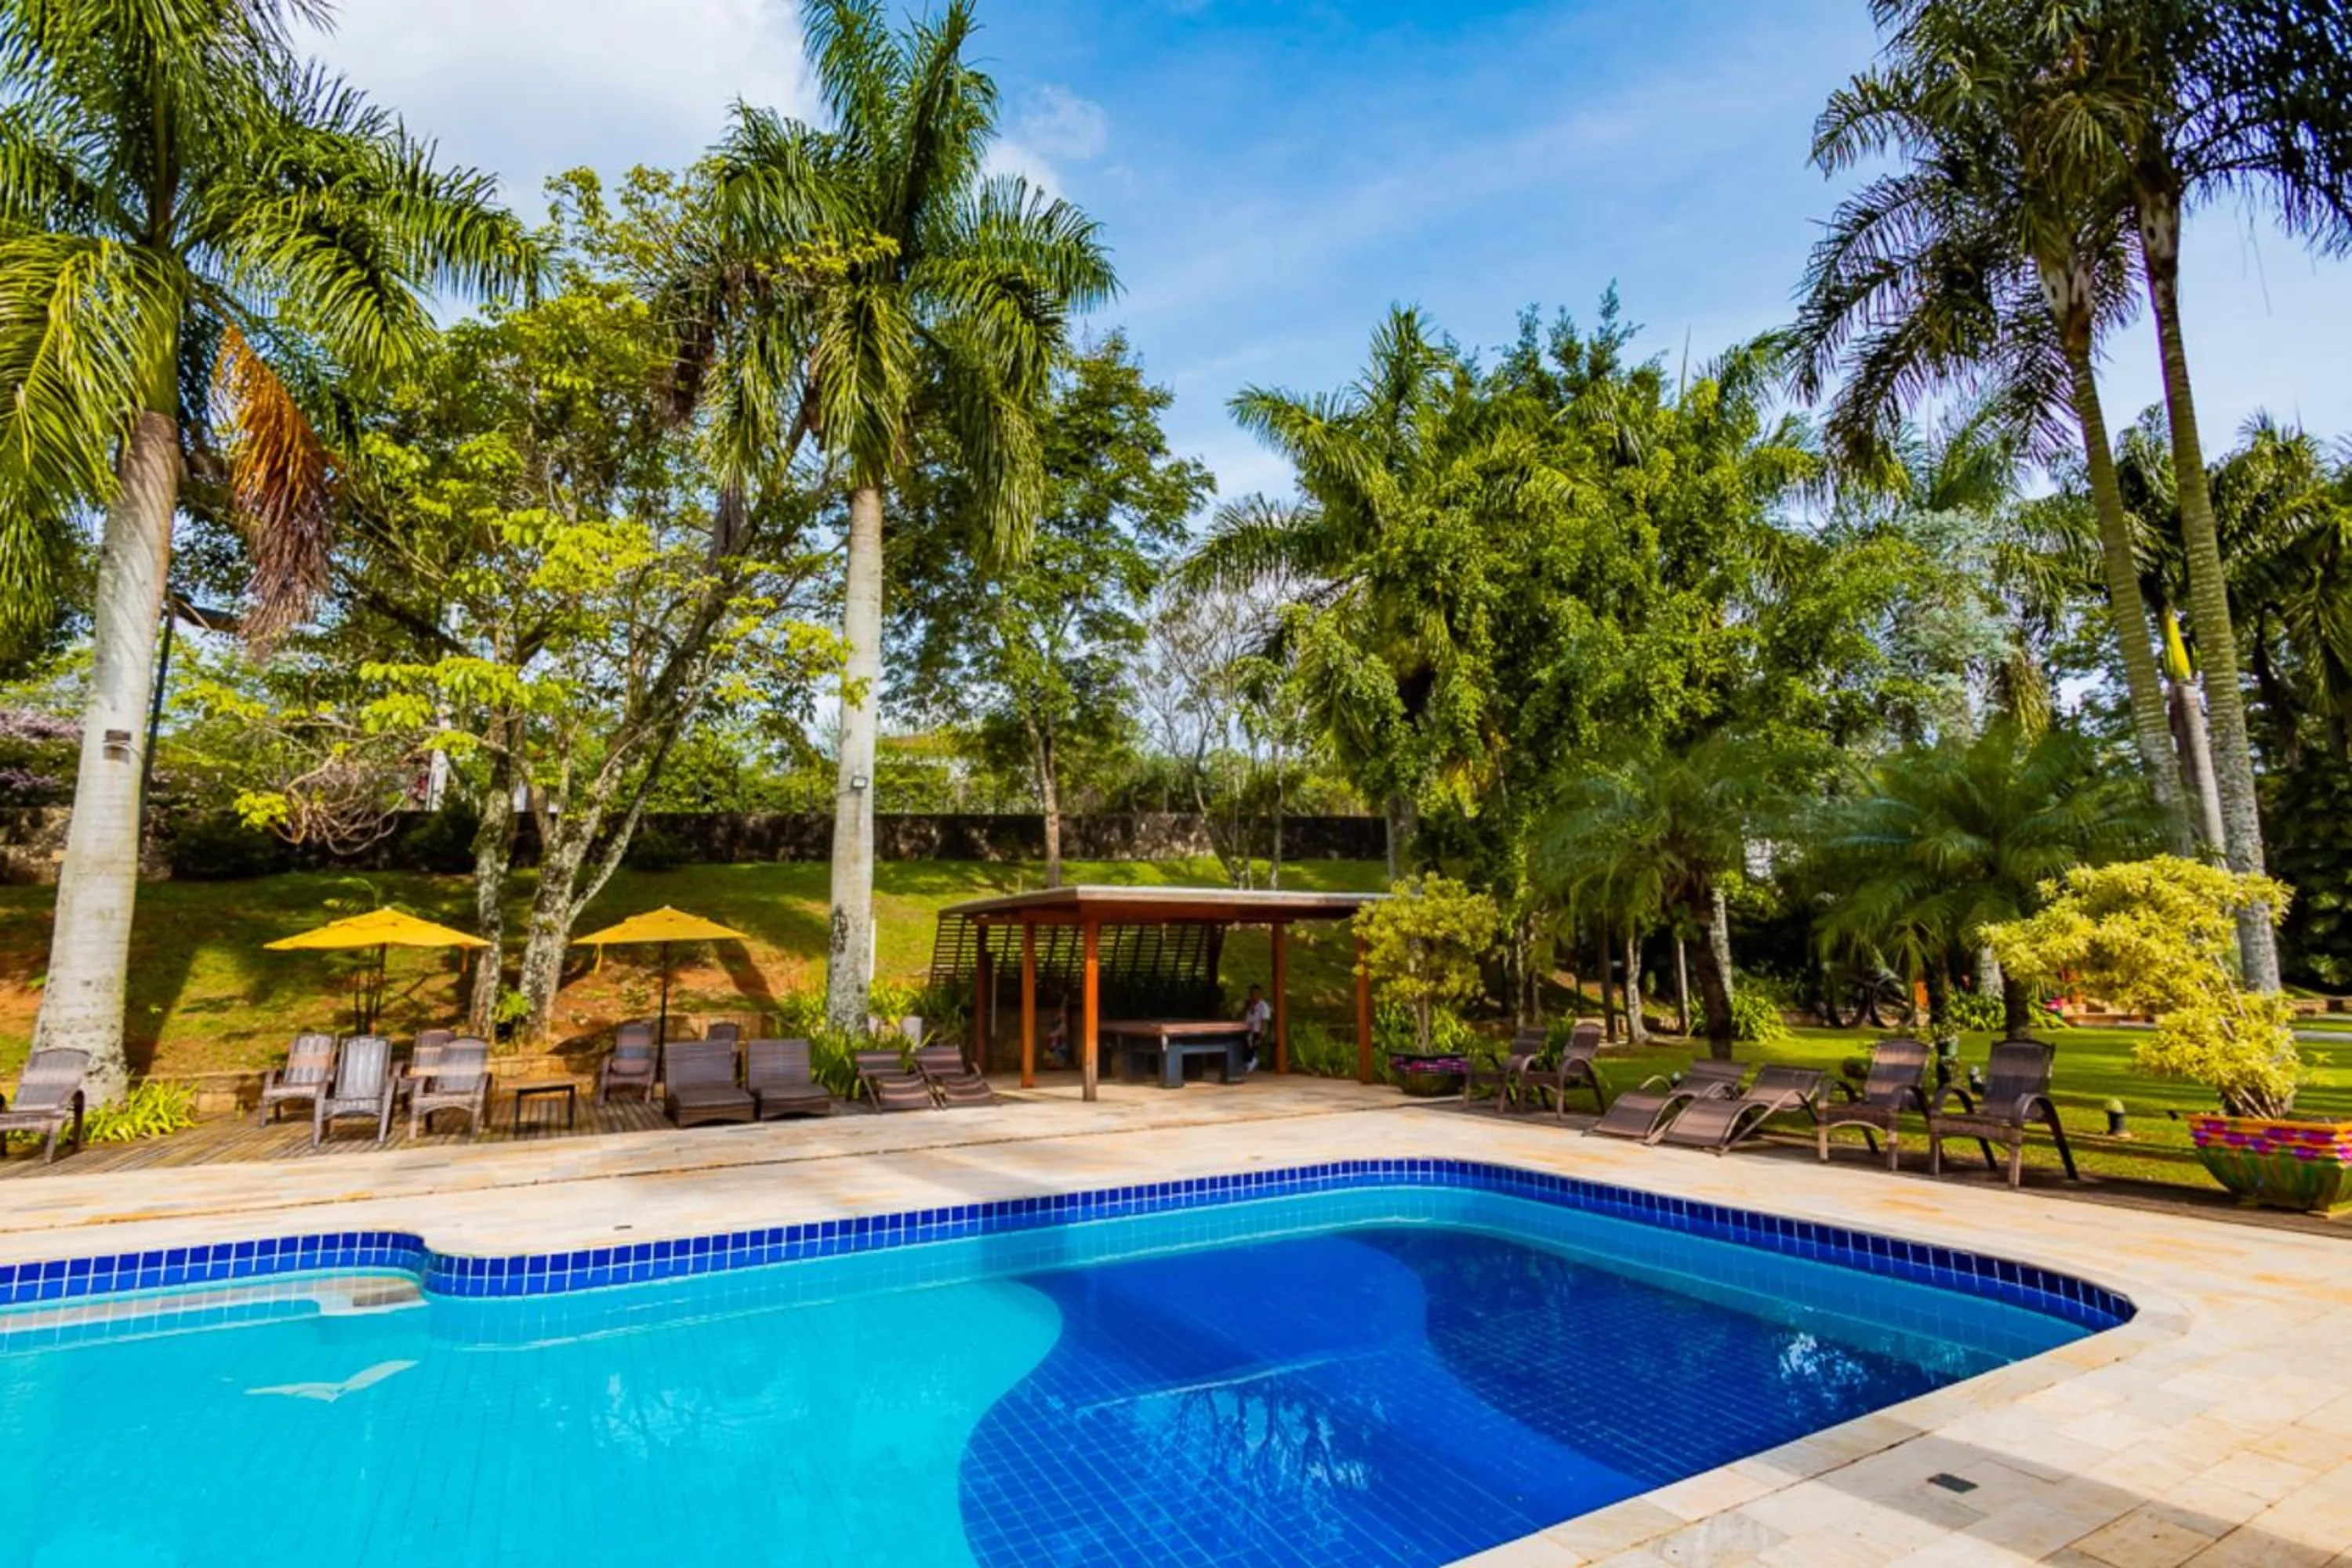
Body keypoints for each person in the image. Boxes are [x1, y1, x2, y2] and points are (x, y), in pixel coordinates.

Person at [1241, 984, 1272, 1073]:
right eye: (1252, 993)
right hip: (1247, 1030)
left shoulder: (1263, 1006)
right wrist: (1246, 1007)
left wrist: (1261, 1034)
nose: (1253, 996)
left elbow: (1264, 1020)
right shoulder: (1248, 1006)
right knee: (1243, 1045)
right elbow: (1243, 1018)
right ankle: (1246, 1064)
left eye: (1256, 993)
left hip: (1257, 1031)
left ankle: (1252, 1062)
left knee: (1253, 1046)